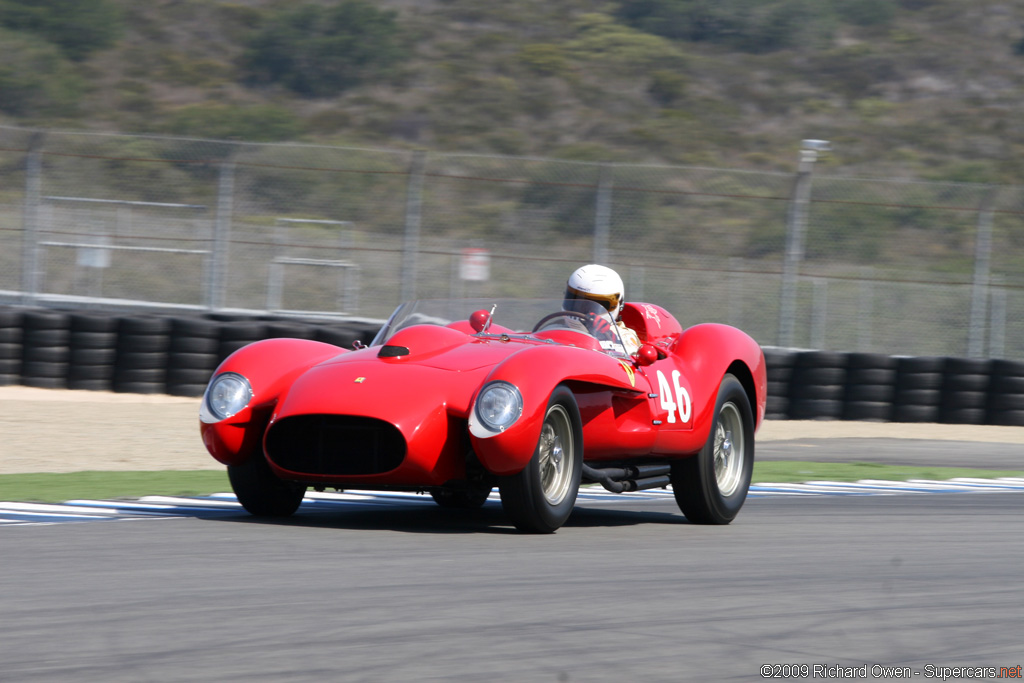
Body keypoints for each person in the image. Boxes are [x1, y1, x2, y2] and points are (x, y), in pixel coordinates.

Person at [564, 264, 641, 355]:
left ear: (618, 304)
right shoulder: (557, 325)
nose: (583, 310)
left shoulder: (624, 336)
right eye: (577, 302)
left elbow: (628, 358)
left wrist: (607, 336)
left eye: (592, 305)